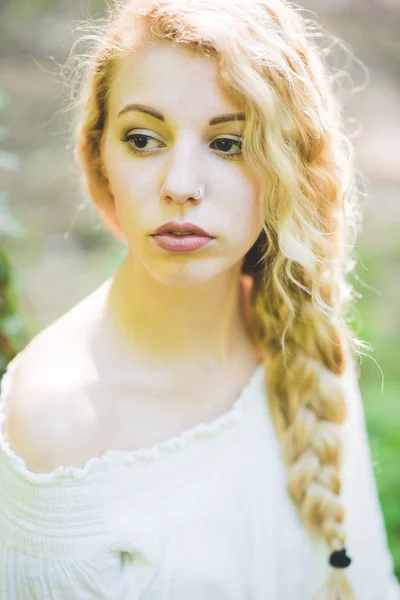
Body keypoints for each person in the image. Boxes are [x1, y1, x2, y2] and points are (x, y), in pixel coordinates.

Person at [0, 0, 399, 598]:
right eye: (143, 139)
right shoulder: (58, 429)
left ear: (290, 164)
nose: (181, 185)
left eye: (229, 143)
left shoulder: (303, 336)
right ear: (99, 158)